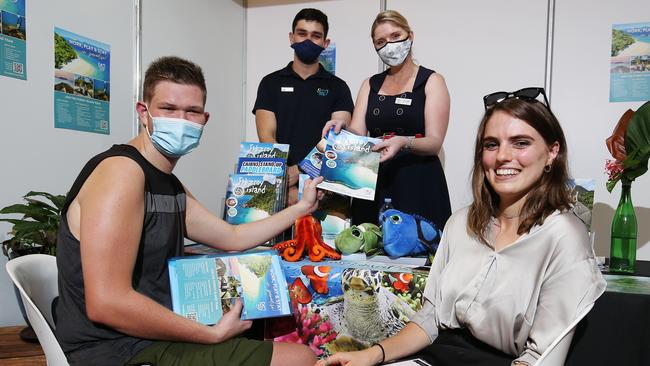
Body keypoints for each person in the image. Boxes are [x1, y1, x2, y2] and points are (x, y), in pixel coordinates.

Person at [54, 56, 321, 366]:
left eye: (192, 112)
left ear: (204, 119)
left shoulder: (167, 182)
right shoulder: (122, 173)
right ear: (144, 113)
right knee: (301, 358)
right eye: (168, 109)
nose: (180, 120)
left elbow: (231, 236)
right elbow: (107, 304)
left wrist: (303, 206)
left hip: (150, 335)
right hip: (117, 350)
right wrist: (210, 334)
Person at [317, 88, 606, 366]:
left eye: (521, 143)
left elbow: (539, 357)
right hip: (437, 355)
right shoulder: (460, 224)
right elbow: (429, 320)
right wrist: (372, 356)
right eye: (492, 144)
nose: (503, 156)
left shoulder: (565, 236)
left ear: (552, 152)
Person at [323, 10, 451, 230]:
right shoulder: (370, 84)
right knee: (368, 248)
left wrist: (404, 142)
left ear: (410, 36)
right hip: (374, 182)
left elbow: (434, 142)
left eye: (395, 36)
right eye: (380, 41)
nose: (389, 45)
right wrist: (343, 129)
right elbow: (359, 134)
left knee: (419, 251)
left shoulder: (431, 81)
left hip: (418, 181)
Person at [253, 8, 354, 205]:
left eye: (316, 36)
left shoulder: (338, 87)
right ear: (291, 38)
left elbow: (337, 139)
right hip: (281, 184)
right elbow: (267, 137)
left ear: (325, 43)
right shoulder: (270, 83)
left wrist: (300, 171)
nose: (308, 40)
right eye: (302, 34)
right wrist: (285, 180)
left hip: (324, 187)